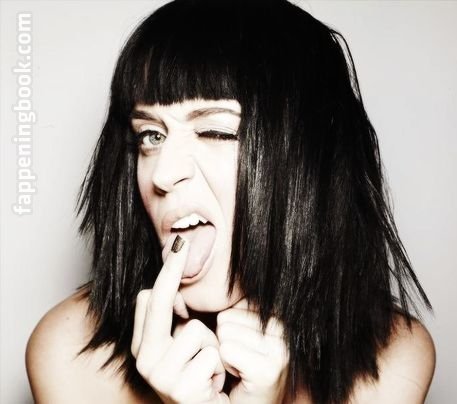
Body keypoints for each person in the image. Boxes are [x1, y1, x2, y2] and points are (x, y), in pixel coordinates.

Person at [25, 0, 436, 403]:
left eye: (215, 132)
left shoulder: (393, 360)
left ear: (306, 163)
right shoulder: (69, 354)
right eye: (151, 135)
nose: (162, 174)